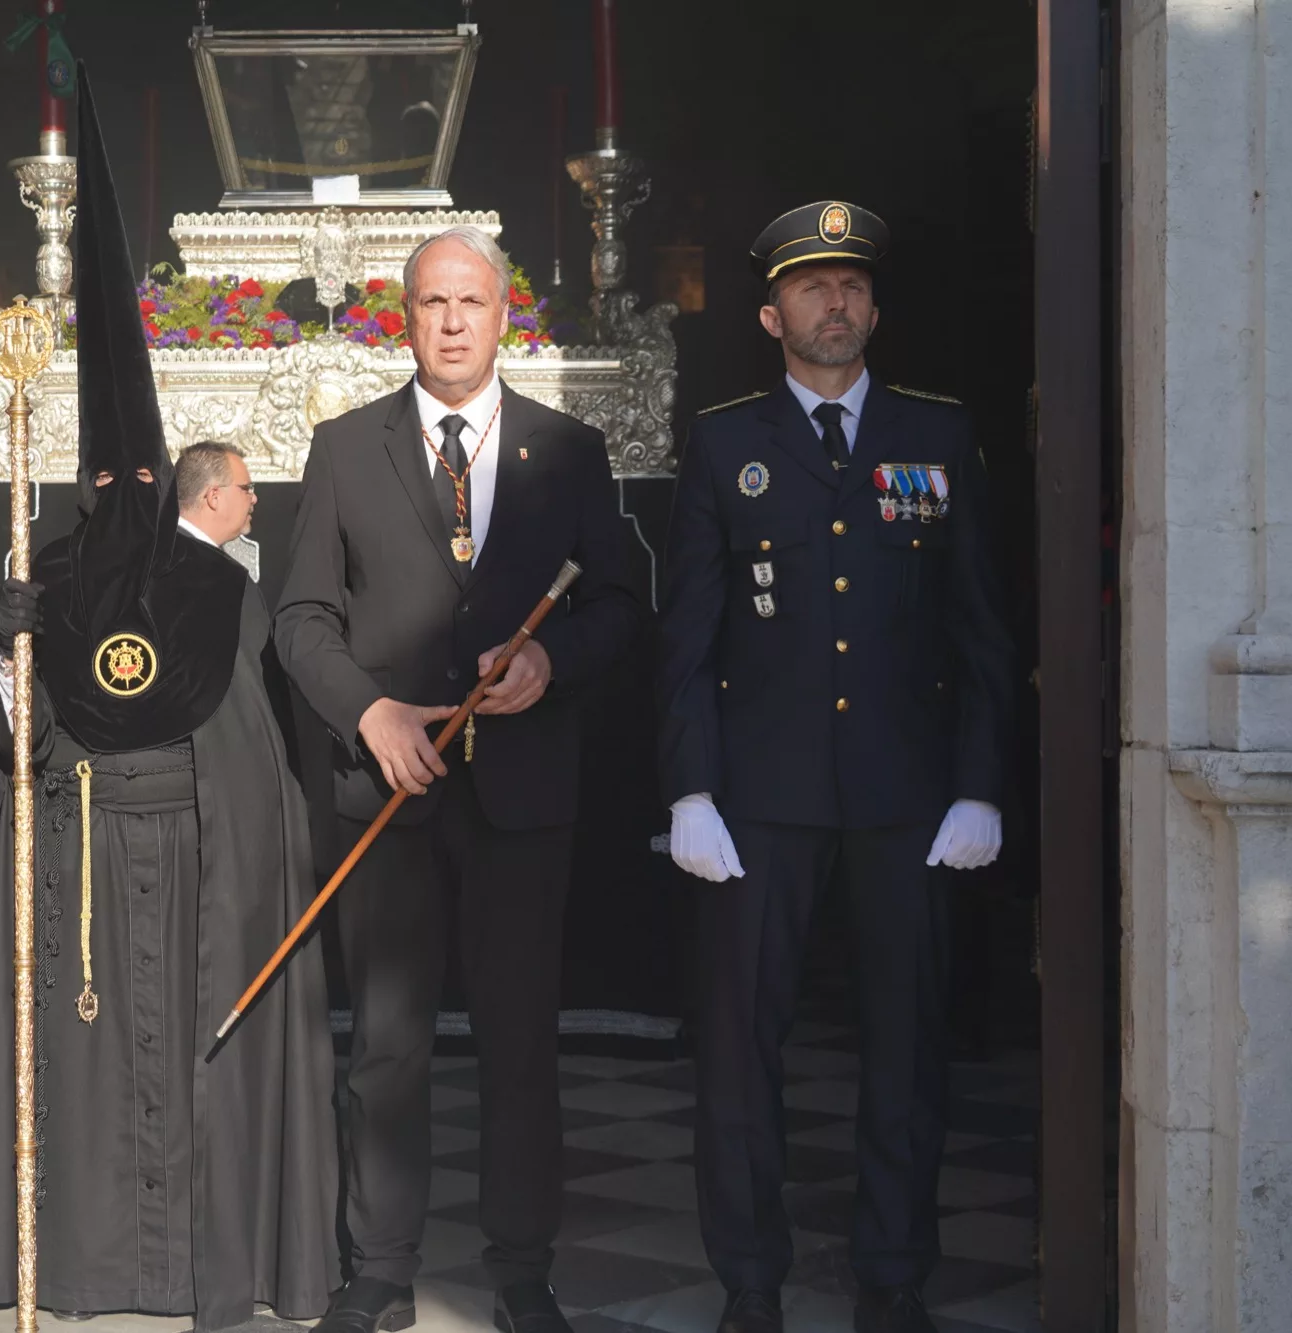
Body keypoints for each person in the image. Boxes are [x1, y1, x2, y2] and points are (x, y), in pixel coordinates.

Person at [0, 65, 336, 1332]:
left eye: (144, 479)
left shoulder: (218, 594)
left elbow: (257, 752)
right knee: (84, 1065)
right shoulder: (54, 581)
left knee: (195, 1055)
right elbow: (9, 736)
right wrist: (10, 646)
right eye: (107, 483)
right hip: (78, 855)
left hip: (194, 864)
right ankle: (85, 1272)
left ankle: (200, 1271)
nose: (124, 498)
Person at [654, 202, 1017, 1333]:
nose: (835, 302)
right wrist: (689, 790)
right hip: (758, 799)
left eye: (852, 284)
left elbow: (981, 627)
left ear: (874, 307)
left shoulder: (937, 435)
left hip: (907, 796)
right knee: (738, 1051)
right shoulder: (725, 443)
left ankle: (892, 1275)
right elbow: (688, 635)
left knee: (906, 1045)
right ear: (771, 316)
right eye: (811, 287)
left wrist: (980, 782)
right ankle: (749, 1280)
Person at [274, 225, 642, 1333]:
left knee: (519, 1042)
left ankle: (521, 1268)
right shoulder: (345, 449)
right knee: (386, 1046)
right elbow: (300, 619)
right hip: (388, 796)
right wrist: (367, 710)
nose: (449, 322)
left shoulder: (567, 451)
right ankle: (380, 1267)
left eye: (469, 303)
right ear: (405, 317)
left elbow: (620, 605)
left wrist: (549, 659)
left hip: (521, 799)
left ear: (501, 316)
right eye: (431, 302)